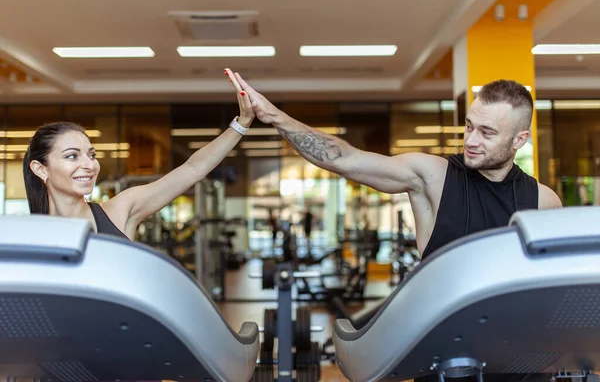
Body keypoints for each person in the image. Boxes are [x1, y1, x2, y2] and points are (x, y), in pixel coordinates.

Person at [229, 72, 562, 260]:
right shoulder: (433, 175)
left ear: (519, 140)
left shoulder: (543, 202)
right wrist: (273, 116)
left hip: (519, 358)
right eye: (469, 126)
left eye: (487, 133)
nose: (471, 140)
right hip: (447, 357)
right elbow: (344, 159)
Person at [23, 68, 253, 241]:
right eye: (72, 156)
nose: (89, 165)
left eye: (91, 155)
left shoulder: (120, 211)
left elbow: (193, 169)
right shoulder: (26, 236)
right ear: (40, 168)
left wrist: (242, 123)